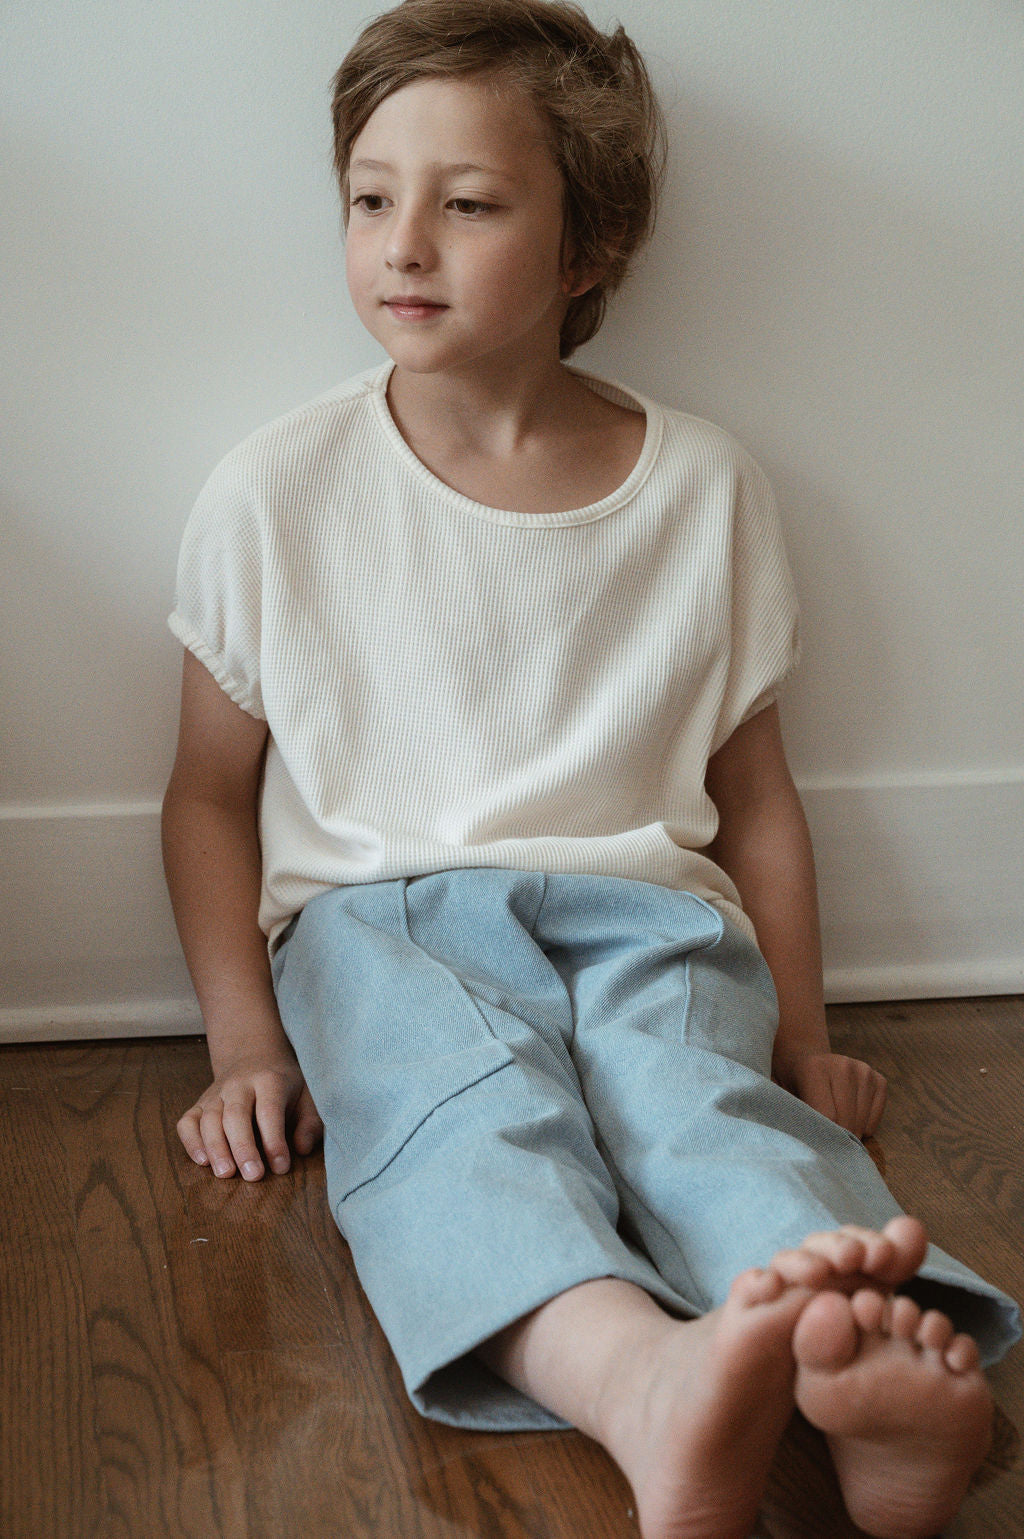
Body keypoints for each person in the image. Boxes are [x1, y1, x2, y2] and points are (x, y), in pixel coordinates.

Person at [162, 3, 1020, 1535]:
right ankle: (637, 1382)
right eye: (370, 197)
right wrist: (246, 1043)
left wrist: (802, 1031)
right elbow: (207, 795)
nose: (403, 243)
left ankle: (862, 1360)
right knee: (461, 1125)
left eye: (469, 203)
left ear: (588, 248)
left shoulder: (706, 488)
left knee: (704, 1108)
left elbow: (756, 797)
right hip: (383, 925)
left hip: (654, 918)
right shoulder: (273, 492)